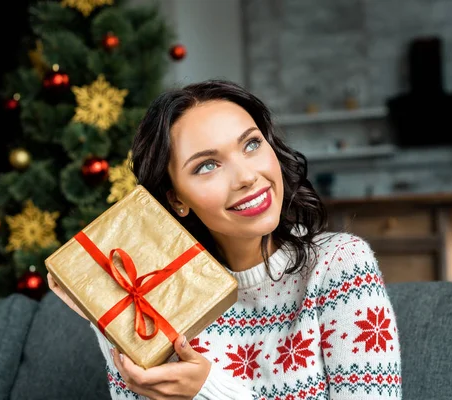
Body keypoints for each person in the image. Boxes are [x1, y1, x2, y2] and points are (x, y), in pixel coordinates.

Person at [48, 79, 402, 399]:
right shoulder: (157, 299)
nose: (247, 176)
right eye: (207, 165)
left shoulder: (339, 265)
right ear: (176, 199)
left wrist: (207, 392)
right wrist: (110, 318)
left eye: (251, 144)